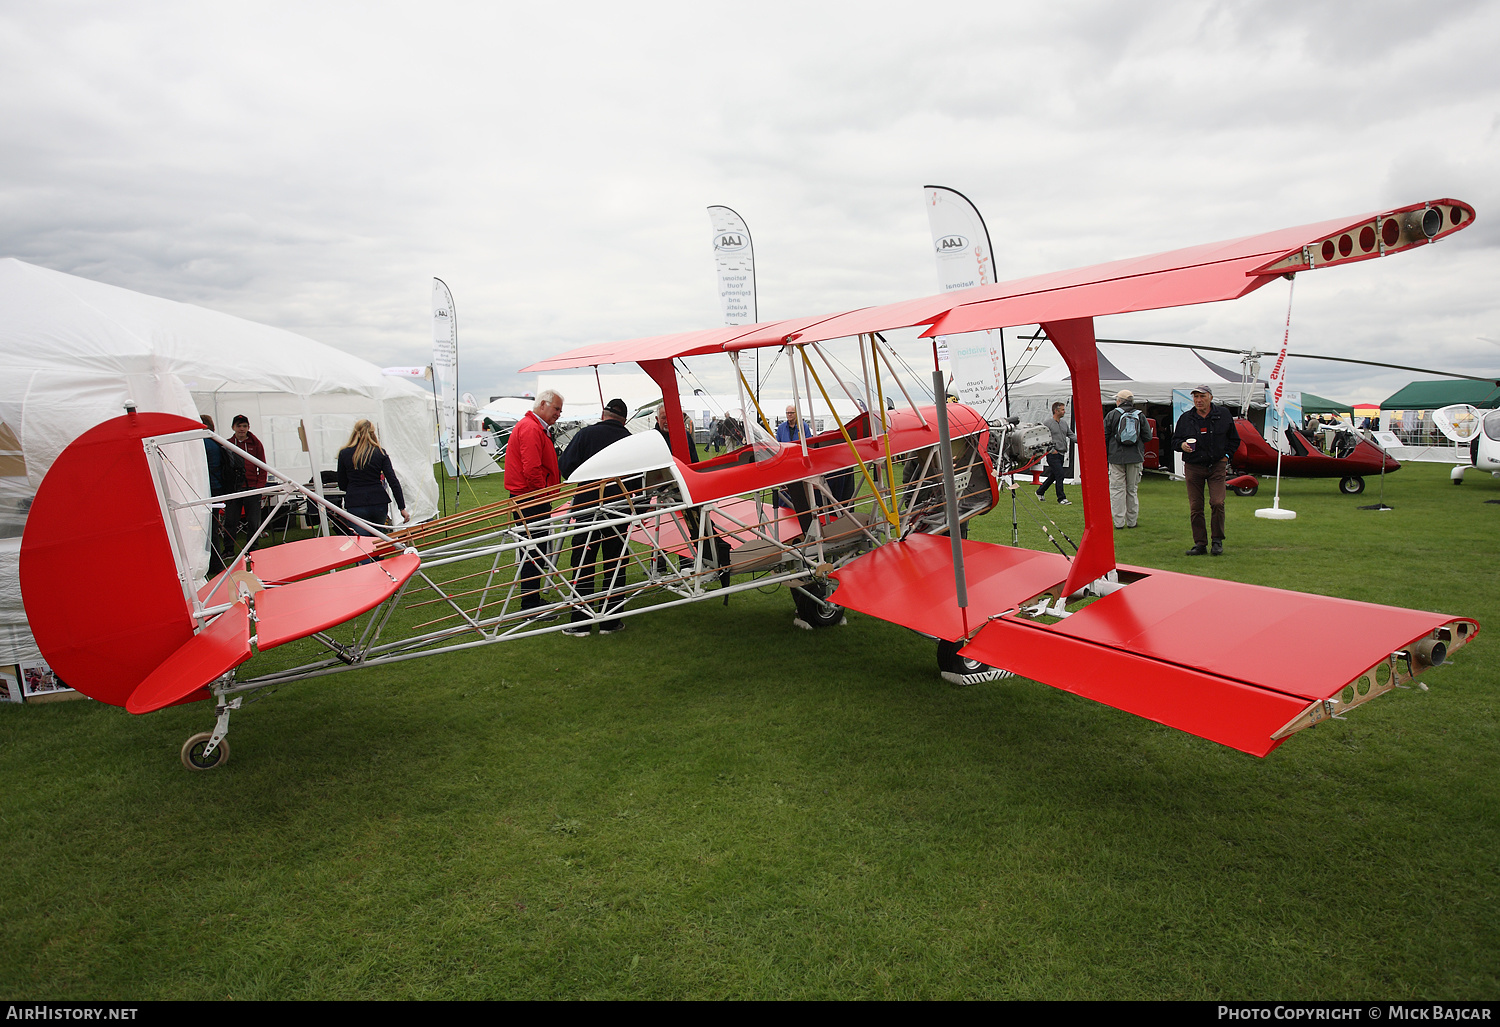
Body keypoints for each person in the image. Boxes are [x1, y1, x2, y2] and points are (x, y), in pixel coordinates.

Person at [558, 398, 633, 636]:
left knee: (583, 562)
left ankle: (580, 621)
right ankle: (610, 620)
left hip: (588, 507)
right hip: (619, 508)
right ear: (624, 420)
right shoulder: (631, 440)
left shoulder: (585, 435)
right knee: (615, 562)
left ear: (604, 415)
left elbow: (566, 468)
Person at [504, 390, 564, 616]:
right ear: (543, 405)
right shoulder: (530, 428)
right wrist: (543, 494)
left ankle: (532, 598)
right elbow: (531, 469)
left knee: (535, 550)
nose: (558, 414)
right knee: (533, 550)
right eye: (556, 409)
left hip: (530, 497)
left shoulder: (534, 427)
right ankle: (530, 603)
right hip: (531, 499)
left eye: (560, 410)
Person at [1171, 384, 1241, 557]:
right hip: (1193, 467)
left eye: (1202, 396)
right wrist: (1182, 446)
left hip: (1216, 465)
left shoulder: (1223, 415)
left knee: (1217, 502)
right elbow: (1174, 441)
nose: (1198, 400)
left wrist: (1226, 456)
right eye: (1195, 397)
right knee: (1196, 506)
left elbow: (1234, 440)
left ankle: (1217, 541)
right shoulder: (1186, 418)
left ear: (1210, 397)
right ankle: (1200, 543)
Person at [336, 419, 411, 534]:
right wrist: (402, 508)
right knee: (377, 538)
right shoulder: (380, 453)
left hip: (356, 501)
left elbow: (342, 483)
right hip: (378, 500)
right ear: (373, 433)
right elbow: (393, 481)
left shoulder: (344, 453)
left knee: (361, 540)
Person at [1103, 389, 1153, 529]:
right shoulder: (1140, 415)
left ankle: (1119, 522)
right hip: (1135, 456)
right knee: (1132, 489)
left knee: (1117, 490)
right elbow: (1148, 437)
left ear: (1119, 401)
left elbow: (1104, 436)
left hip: (1116, 457)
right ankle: (1132, 521)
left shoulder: (1112, 414)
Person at [223, 414, 266, 547]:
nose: (242, 429)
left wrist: (260, 486)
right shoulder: (227, 444)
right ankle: (229, 549)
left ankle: (252, 548)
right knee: (230, 520)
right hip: (234, 488)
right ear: (233, 427)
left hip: (252, 487)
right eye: (239, 426)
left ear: (248, 427)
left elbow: (263, 466)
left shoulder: (256, 444)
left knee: (253, 521)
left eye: (244, 426)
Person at [1035, 401, 1074, 505]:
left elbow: (1071, 435)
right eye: (1062, 409)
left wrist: (1084, 441)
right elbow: (1042, 438)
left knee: (1054, 475)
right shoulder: (1048, 423)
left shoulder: (1064, 423)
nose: (1064, 411)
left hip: (1061, 454)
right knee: (1060, 474)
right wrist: (1051, 450)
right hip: (1053, 454)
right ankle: (1061, 498)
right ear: (1056, 411)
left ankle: (1040, 491)